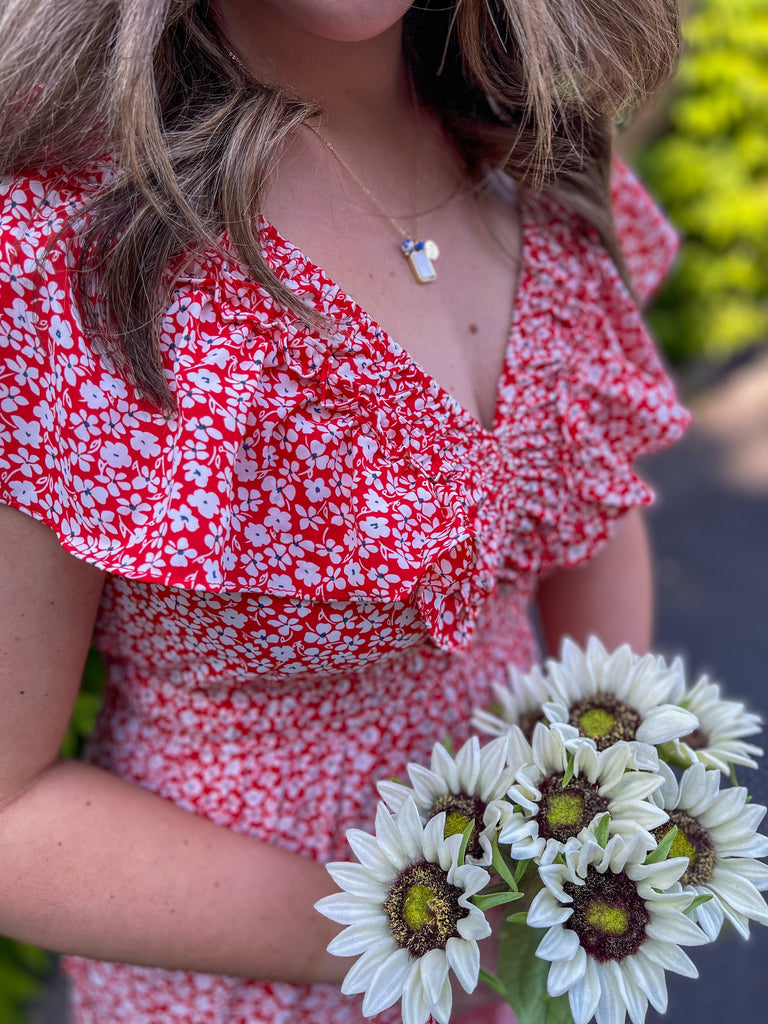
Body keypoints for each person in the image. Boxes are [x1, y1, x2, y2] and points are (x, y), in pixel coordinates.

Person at [0, 1, 688, 1022]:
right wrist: (437, 929)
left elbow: (584, 507)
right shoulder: (60, 244)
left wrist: (606, 787)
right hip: (246, 984)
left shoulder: (534, 146)